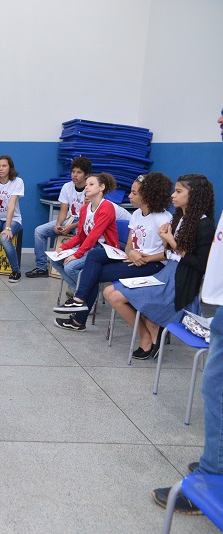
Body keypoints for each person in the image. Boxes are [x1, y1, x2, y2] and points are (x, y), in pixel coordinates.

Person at [151, 112, 223, 516]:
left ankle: (213, 473)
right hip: (194, 286)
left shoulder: (201, 220)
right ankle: (216, 462)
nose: (218, 118)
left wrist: (170, 246)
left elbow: (189, 258)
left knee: (216, 388)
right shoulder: (181, 218)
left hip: (192, 290)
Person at [104, 174, 215, 358]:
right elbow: (169, 253)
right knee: (108, 292)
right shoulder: (180, 219)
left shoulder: (204, 225)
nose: (173, 195)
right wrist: (165, 242)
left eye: (179, 191)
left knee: (115, 296)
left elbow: (202, 265)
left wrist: (171, 240)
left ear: (194, 195)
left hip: (180, 284)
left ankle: (147, 337)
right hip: (167, 274)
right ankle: (150, 331)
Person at [53, 172, 173, 332]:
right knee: (93, 270)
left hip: (154, 265)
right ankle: (78, 315)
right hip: (134, 259)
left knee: (92, 267)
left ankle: (78, 306)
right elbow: (130, 246)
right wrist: (131, 253)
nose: (129, 195)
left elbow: (170, 253)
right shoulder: (137, 214)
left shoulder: (163, 218)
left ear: (148, 196)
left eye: (134, 193)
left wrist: (146, 258)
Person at [48, 173, 119, 294]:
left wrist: (77, 254)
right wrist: (63, 247)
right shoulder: (84, 209)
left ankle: (85, 296)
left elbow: (94, 235)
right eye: (86, 185)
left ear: (102, 187)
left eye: (91, 184)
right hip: (89, 247)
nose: (86, 187)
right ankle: (81, 293)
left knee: (70, 267)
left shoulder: (107, 207)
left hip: (105, 249)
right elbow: (81, 235)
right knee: (54, 260)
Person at [26, 156, 91, 278]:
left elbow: (87, 217)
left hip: (83, 222)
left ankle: (71, 270)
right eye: (73, 172)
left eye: (79, 172)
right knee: (39, 231)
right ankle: (41, 267)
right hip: (69, 218)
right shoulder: (67, 187)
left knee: (79, 239)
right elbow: (63, 210)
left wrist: (71, 226)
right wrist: (58, 224)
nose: (75, 175)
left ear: (86, 175)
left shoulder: (90, 189)